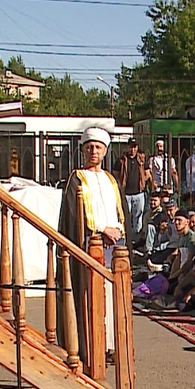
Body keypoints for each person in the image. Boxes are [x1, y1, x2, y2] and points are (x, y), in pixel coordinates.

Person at [56, 127, 129, 354]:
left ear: (105, 151)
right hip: (89, 244)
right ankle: (90, 345)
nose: (93, 151)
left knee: (111, 295)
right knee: (90, 295)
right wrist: (99, 229)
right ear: (83, 151)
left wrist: (116, 231)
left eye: (98, 147)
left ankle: (110, 345)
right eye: (89, 148)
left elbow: (121, 212)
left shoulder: (111, 180)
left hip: (114, 246)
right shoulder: (76, 178)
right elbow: (73, 215)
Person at [114, 140, 149, 249]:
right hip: (126, 194)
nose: (132, 149)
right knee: (125, 216)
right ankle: (126, 238)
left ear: (137, 147)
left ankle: (136, 240)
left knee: (138, 217)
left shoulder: (141, 160)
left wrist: (142, 181)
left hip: (139, 193)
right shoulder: (121, 160)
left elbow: (147, 173)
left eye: (134, 147)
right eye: (131, 147)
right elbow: (115, 174)